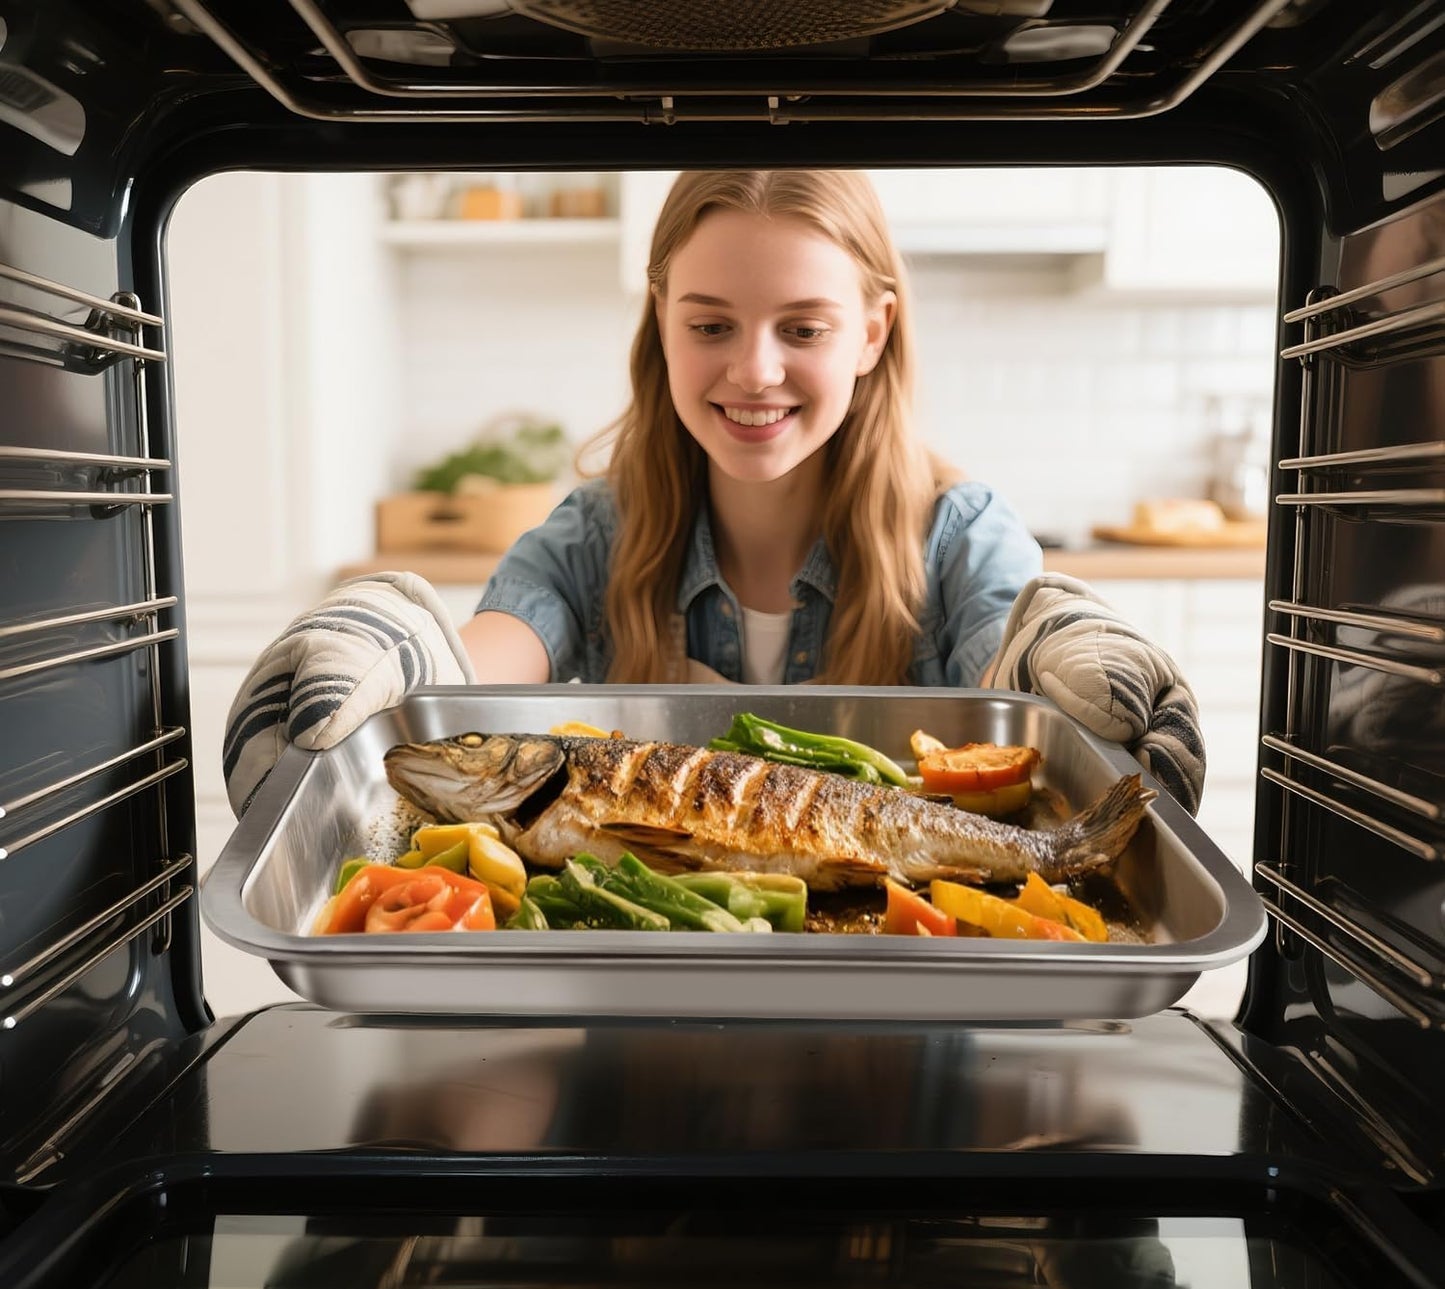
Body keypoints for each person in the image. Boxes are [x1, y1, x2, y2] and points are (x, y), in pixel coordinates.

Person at [223, 170, 1205, 818]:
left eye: (803, 328)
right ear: (659, 320)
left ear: (871, 331)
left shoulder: (956, 535)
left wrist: (1066, 649)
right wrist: (391, 649)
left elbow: (1015, 676)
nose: (753, 370)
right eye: (710, 325)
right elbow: (480, 661)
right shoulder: (598, 532)